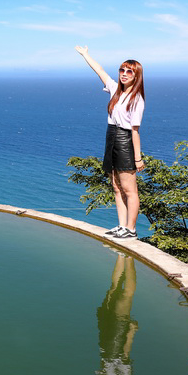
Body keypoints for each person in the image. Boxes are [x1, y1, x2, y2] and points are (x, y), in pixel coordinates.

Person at [75, 46, 145, 239]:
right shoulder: (115, 90)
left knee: (130, 189)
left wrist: (137, 158)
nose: (124, 74)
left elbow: (135, 131)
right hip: (111, 137)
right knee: (116, 186)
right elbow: (100, 71)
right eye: (122, 70)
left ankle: (131, 229)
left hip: (125, 140)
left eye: (129, 71)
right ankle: (121, 225)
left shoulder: (136, 99)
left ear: (136, 75)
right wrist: (86, 55)